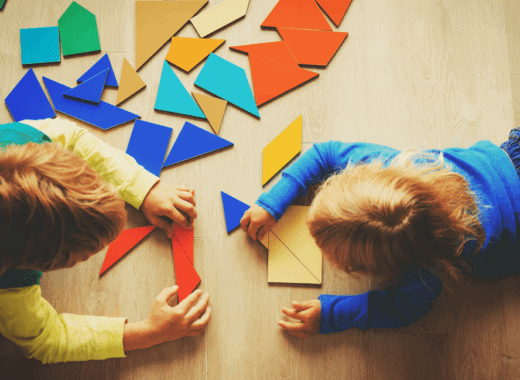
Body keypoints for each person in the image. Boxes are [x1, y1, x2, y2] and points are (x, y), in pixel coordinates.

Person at [240, 130, 520, 339]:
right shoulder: (390, 167)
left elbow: (402, 309)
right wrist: (273, 202)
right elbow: (324, 153)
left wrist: (332, 314)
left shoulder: (426, 272)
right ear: (355, 173)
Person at [0, 118, 211, 363]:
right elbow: (48, 339)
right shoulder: (10, 287)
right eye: (87, 254)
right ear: (52, 266)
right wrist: (150, 333)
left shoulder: (27, 140)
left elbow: (74, 138)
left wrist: (143, 188)